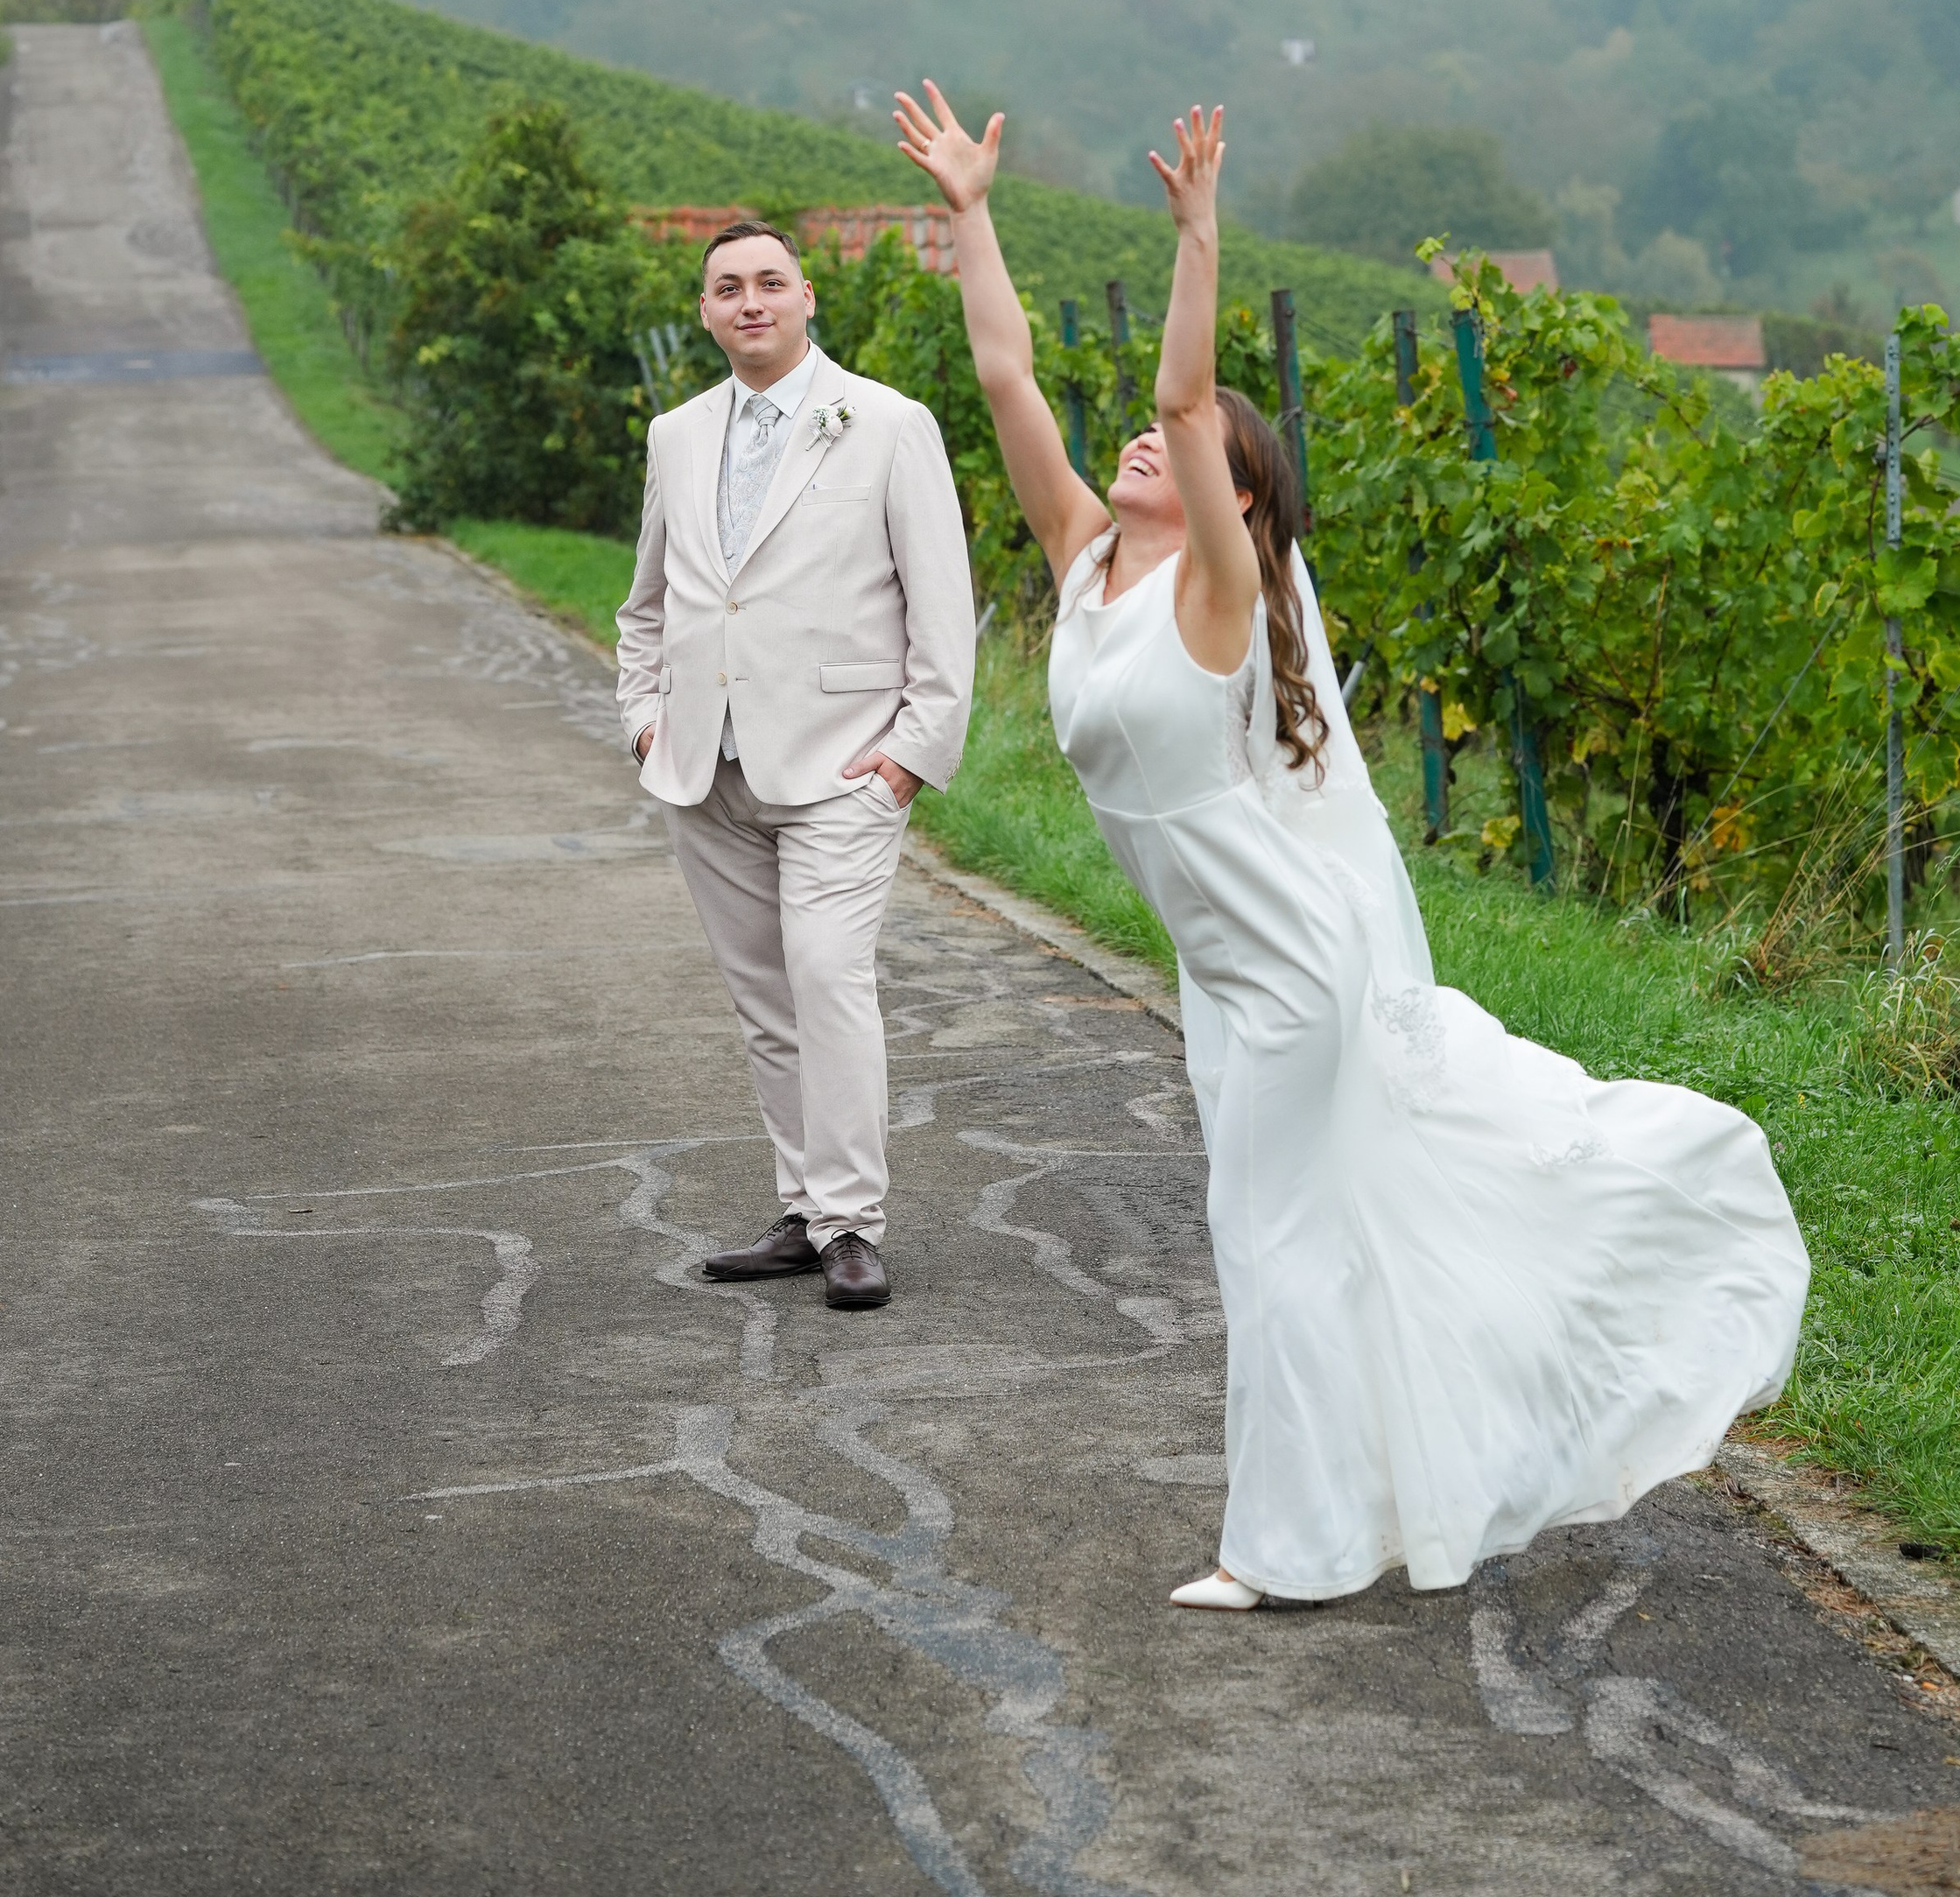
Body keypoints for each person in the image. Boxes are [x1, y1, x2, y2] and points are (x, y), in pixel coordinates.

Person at [894, 83, 1810, 1607]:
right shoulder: (1085, 565)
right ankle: (1349, 1499)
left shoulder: (1217, 601)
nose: (1137, 436)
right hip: (1220, 970)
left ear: (1233, 501)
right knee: (1289, 1234)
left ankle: (1289, 1553)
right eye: (1130, 435)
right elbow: (1007, 377)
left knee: (1273, 1246)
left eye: (1189, 451)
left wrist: (1198, 235)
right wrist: (974, 217)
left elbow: (1189, 403)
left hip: (1292, 973)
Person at [617, 215, 976, 1310]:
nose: (750, 301)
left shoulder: (884, 422)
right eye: (728, 287)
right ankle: (803, 1208)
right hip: (705, 767)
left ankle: (854, 1223)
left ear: (808, 296)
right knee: (764, 998)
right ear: (705, 310)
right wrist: (644, 714)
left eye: (770, 282)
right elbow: (648, 601)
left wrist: (911, 756)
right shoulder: (675, 434)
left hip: (842, 769)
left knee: (828, 980)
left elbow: (942, 604)